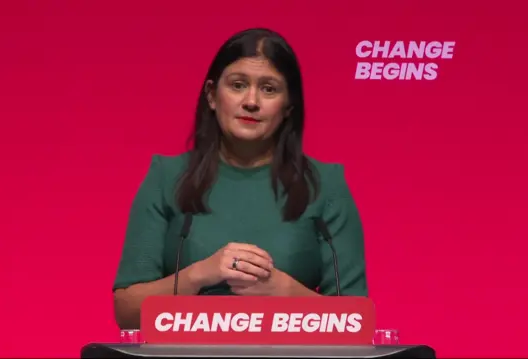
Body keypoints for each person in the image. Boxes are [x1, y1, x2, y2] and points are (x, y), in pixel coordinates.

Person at [112, 28, 368, 329]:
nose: (251, 101)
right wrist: (201, 275)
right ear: (211, 95)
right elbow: (127, 313)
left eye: (269, 89)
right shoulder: (166, 177)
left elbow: (358, 323)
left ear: (288, 108)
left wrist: (284, 292)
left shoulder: (326, 185)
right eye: (237, 85)